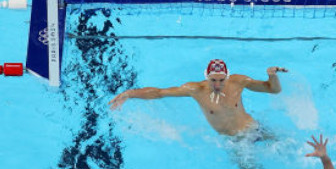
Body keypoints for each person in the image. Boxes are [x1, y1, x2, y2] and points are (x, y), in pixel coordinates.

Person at [108, 59, 287, 137]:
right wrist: (129, 94)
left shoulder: (239, 82)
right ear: (206, 78)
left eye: (221, 80)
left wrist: (272, 75)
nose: (217, 85)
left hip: (253, 128)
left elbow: (273, 90)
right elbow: (159, 92)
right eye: (213, 80)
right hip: (235, 142)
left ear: (228, 77)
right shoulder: (195, 89)